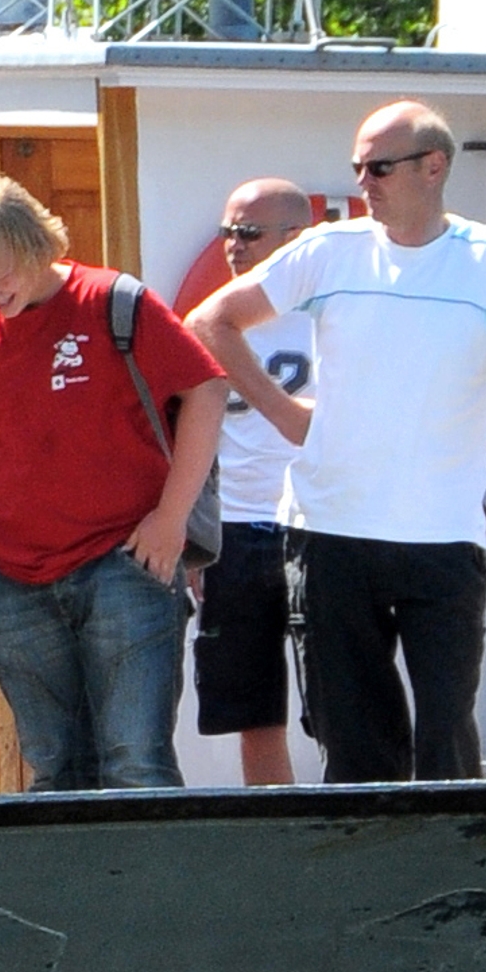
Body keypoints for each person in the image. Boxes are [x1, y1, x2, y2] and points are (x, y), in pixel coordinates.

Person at [188, 100, 486, 783]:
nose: (363, 182)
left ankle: (450, 847)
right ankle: (368, 851)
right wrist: (285, 414)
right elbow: (211, 322)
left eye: (378, 168)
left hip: (443, 536)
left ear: (433, 167)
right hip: (331, 534)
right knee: (354, 742)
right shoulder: (328, 251)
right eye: (358, 167)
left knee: (446, 731)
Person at [0, 176, 225, 793]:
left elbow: (207, 389)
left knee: (136, 763)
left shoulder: (115, 302)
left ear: (33, 243)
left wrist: (171, 518)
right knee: (56, 772)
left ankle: (151, 864)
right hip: (15, 584)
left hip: (127, 565)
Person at [192, 178, 317, 786]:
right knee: (253, 709)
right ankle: (275, 820)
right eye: (226, 232)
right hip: (234, 531)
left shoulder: (330, 315)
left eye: (248, 233)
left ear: (295, 238)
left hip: (317, 523)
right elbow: (189, 439)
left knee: (337, 697)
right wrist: (193, 541)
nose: (233, 246)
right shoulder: (207, 322)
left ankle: (344, 820)